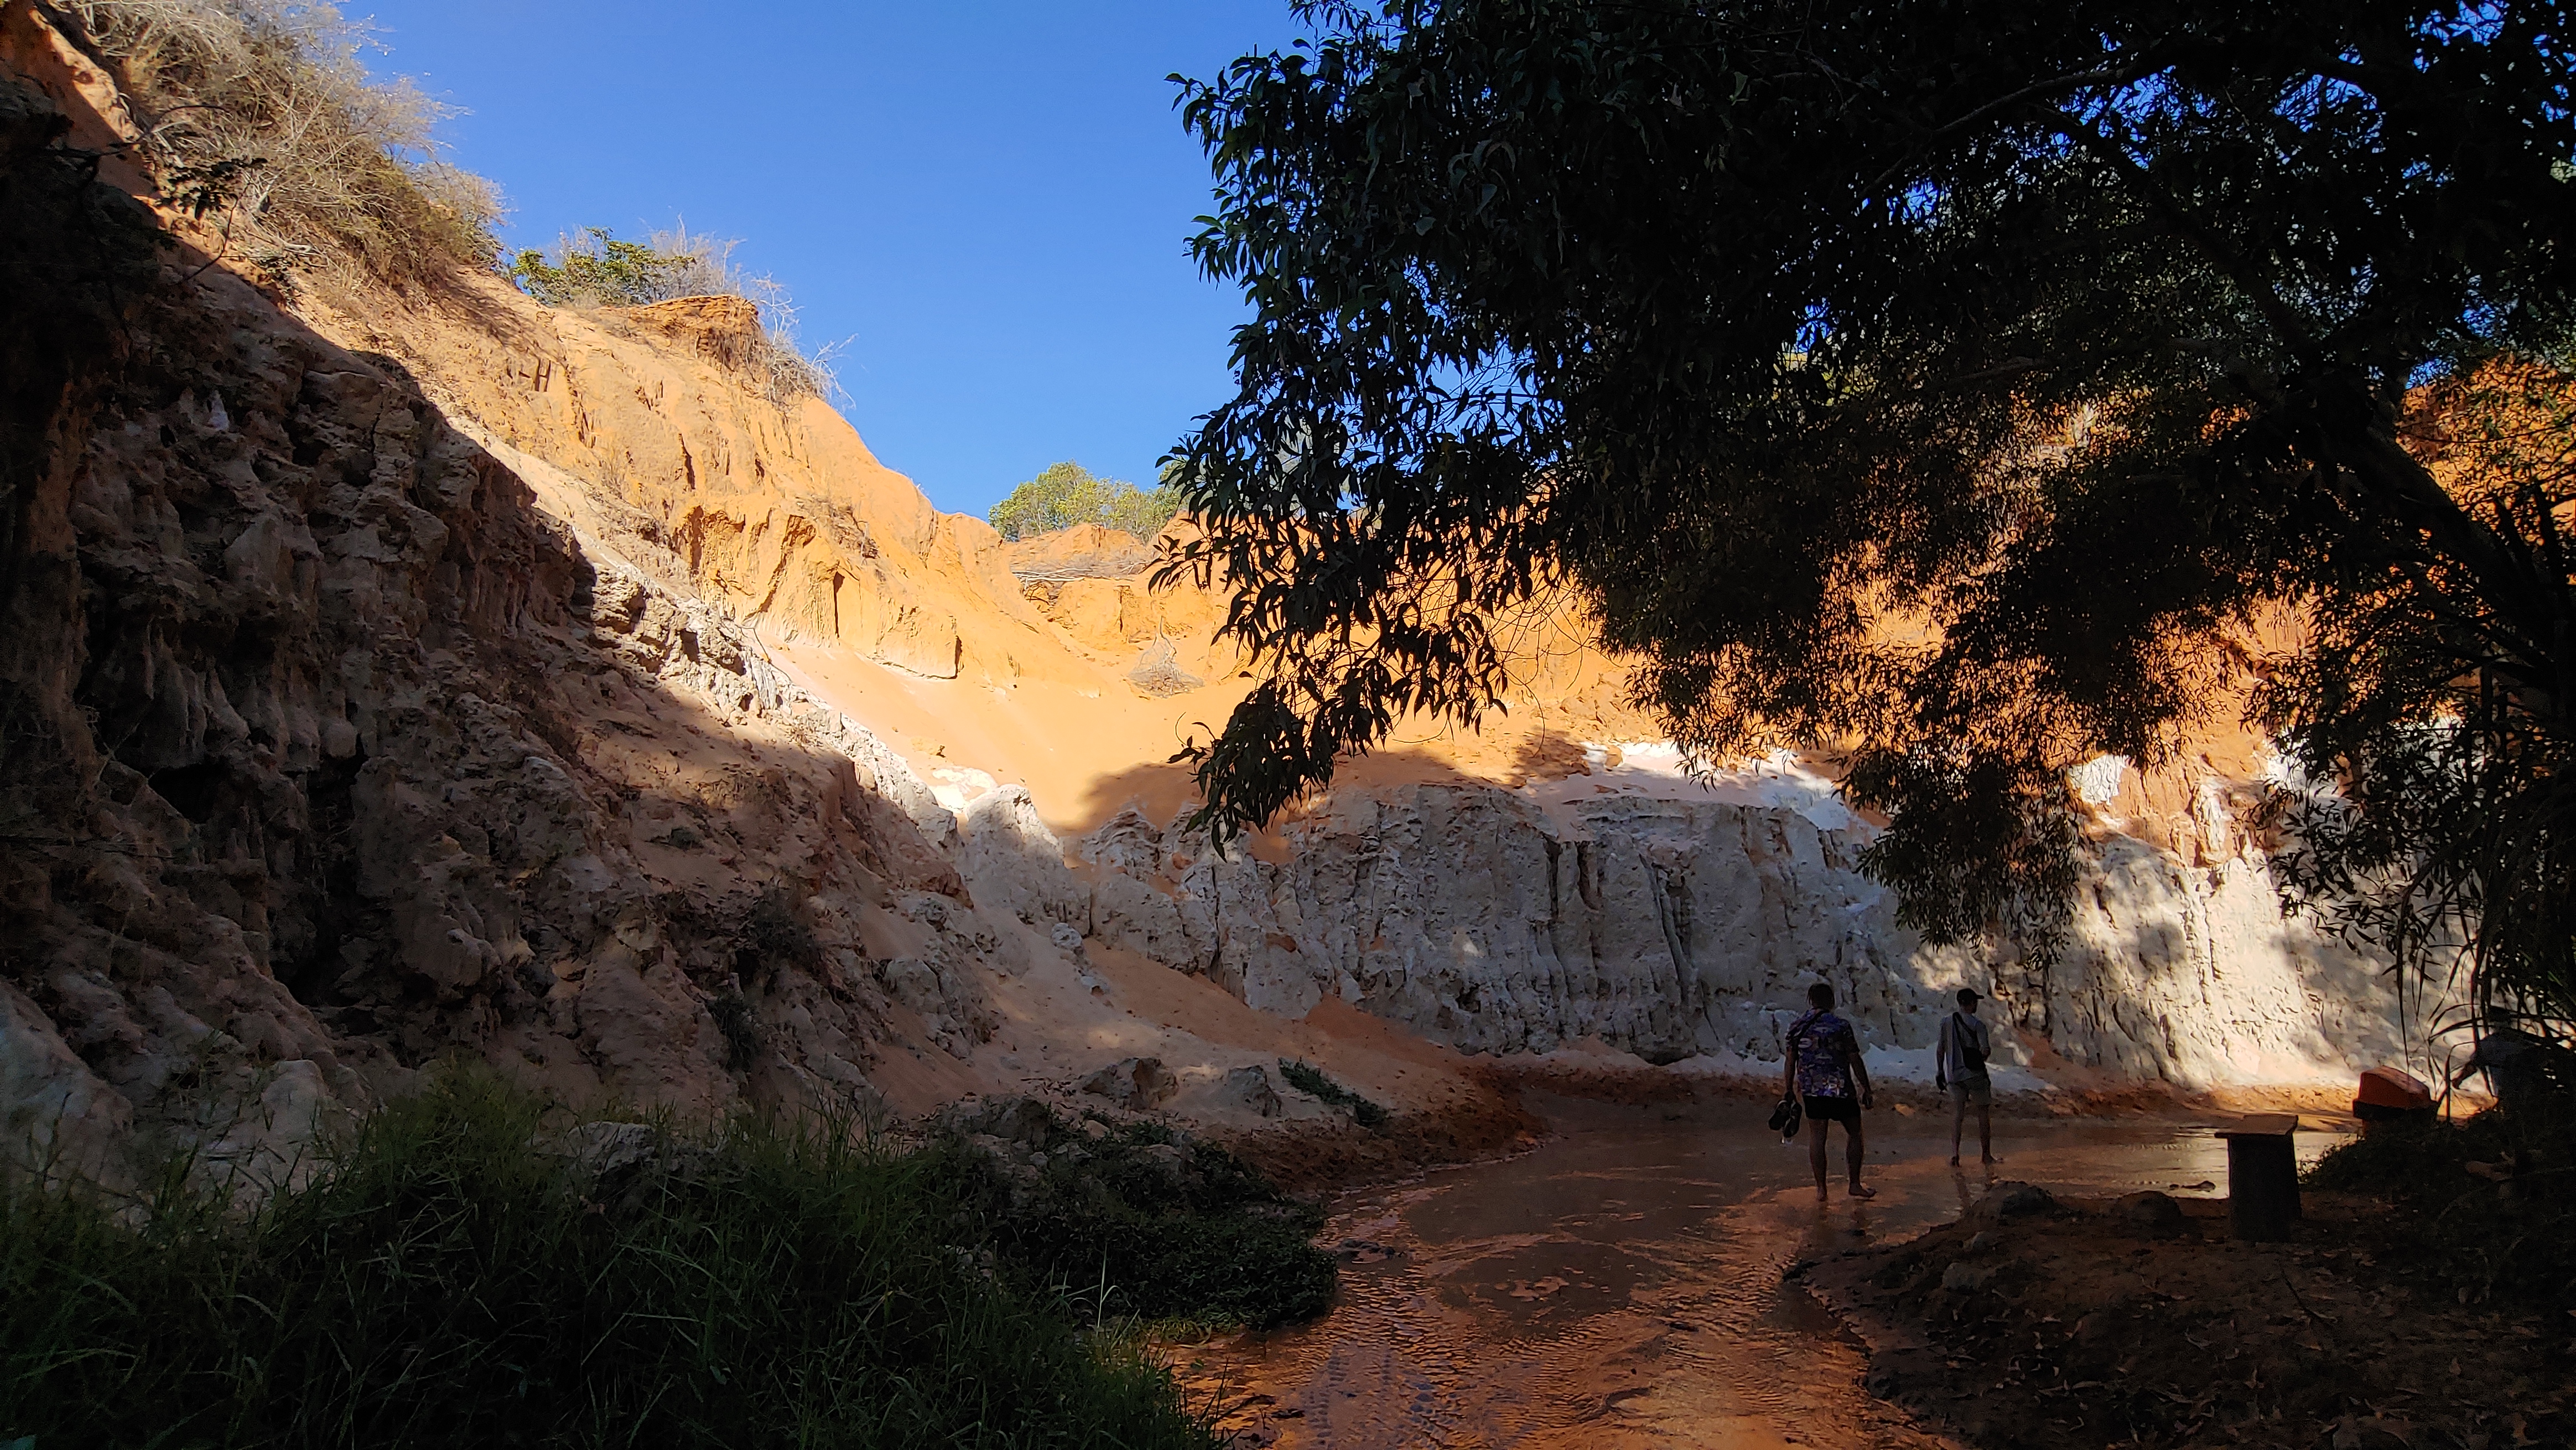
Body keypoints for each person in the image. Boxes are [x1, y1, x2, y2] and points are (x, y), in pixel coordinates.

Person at [1784, 981, 1874, 1201]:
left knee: (1817, 1137)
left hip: (1812, 1090)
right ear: (1832, 1001)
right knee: (1854, 1133)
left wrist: (1788, 1089)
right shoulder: (1841, 1026)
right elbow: (1854, 1058)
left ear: (1810, 1000)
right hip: (1840, 1089)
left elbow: (1790, 1061)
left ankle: (1821, 1190)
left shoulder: (1797, 1026)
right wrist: (1866, 1087)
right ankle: (1854, 1184)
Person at [1936, 986, 1995, 1167]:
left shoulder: (1946, 1022)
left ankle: (1955, 1154)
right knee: (1983, 1113)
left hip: (1954, 1075)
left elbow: (1941, 1049)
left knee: (1958, 1114)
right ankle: (1986, 1155)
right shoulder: (1978, 1026)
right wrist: (1982, 1056)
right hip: (1975, 1074)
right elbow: (1985, 1050)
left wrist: (1940, 1071)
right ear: (1972, 1003)